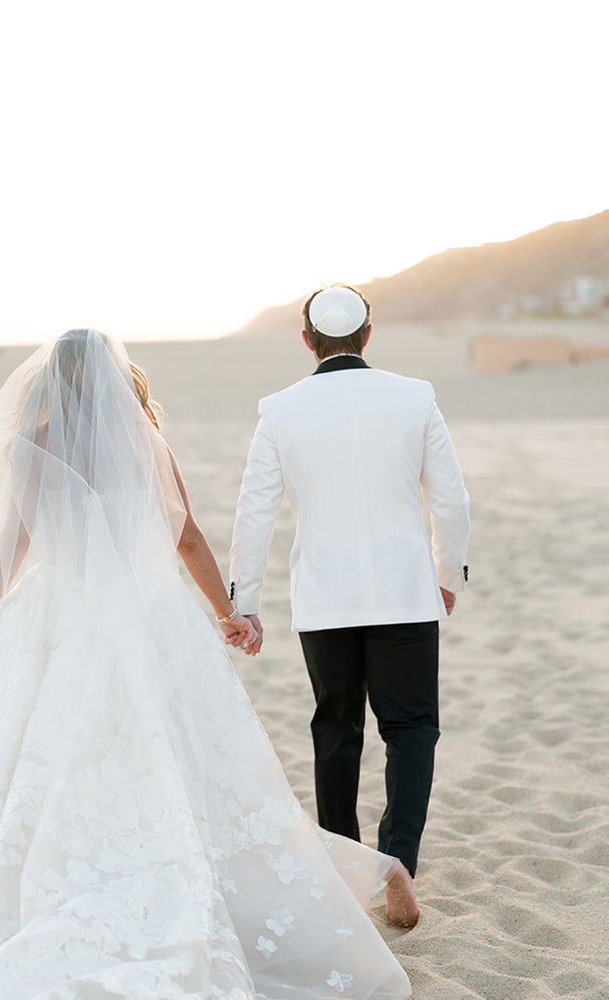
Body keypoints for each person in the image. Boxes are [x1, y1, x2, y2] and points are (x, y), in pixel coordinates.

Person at [0, 328, 412, 999]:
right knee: (195, 768)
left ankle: (64, 873)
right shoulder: (147, 441)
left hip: (59, 620)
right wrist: (228, 611)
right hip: (151, 619)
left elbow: (10, 547)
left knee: (46, 757)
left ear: (52, 380)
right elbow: (188, 536)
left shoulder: (37, 446)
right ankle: (368, 871)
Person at [229, 286, 471, 928]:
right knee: (412, 728)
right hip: (404, 593)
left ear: (307, 341)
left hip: (325, 598)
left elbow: (254, 510)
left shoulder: (279, 409)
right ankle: (398, 863)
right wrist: (448, 574)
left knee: (336, 729)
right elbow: (451, 500)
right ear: (369, 336)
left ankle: (344, 867)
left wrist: (243, 601)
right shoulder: (415, 395)